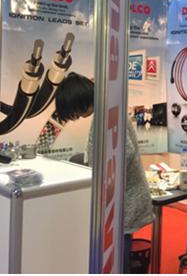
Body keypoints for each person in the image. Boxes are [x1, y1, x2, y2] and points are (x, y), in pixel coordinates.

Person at [53, 72, 153, 273]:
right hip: (119, 197)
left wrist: (102, 176)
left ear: (78, 102)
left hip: (124, 199)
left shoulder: (106, 113)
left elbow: (124, 153)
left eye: (73, 112)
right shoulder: (106, 108)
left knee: (117, 257)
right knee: (116, 252)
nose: (75, 117)